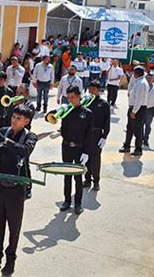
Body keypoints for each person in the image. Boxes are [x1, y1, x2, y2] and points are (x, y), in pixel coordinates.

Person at [0, 105, 37, 275]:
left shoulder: (30, 136)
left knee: (14, 227)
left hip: (16, 189)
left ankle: (11, 259)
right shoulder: (5, 131)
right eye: (13, 117)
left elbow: (24, 151)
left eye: (18, 118)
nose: (14, 121)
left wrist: (6, 141)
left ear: (27, 121)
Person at [59, 86, 93, 215]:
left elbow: (89, 134)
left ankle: (78, 203)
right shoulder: (66, 111)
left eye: (72, 97)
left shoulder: (87, 113)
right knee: (67, 176)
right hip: (67, 146)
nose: (70, 100)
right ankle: (67, 200)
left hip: (80, 148)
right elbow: (63, 129)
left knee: (78, 177)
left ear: (79, 96)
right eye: (68, 98)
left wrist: (86, 152)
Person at [83, 80, 110, 191]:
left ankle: (96, 181)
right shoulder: (85, 102)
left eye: (93, 89)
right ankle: (87, 179)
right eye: (90, 89)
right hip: (85, 134)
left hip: (96, 133)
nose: (91, 91)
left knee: (95, 159)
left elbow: (106, 121)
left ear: (98, 90)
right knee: (85, 158)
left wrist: (104, 136)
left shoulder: (103, 104)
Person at [119, 66, 148, 156]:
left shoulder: (140, 83)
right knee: (130, 128)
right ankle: (127, 145)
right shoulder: (139, 81)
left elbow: (139, 100)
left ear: (135, 74)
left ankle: (138, 149)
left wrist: (134, 111)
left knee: (137, 130)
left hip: (138, 109)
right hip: (135, 107)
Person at [143, 74, 154, 147]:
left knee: (148, 125)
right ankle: (140, 137)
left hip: (150, 109)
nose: (148, 80)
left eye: (150, 78)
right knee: (140, 124)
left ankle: (146, 139)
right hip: (141, 108)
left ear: (152, 79)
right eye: (147, 78)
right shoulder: (142, 87)